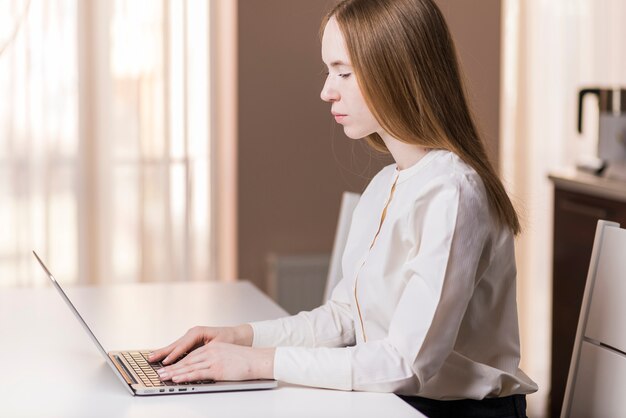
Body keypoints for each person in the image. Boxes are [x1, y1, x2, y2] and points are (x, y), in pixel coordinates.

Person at [149, 0, 538, 416]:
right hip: (398, 401)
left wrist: (259, 364)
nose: (326, 90)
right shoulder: (385, 185)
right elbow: (345, 320)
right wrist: (241, 338)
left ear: (397, 71)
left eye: (344, 72)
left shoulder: (453, 192)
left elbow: (407, 364)